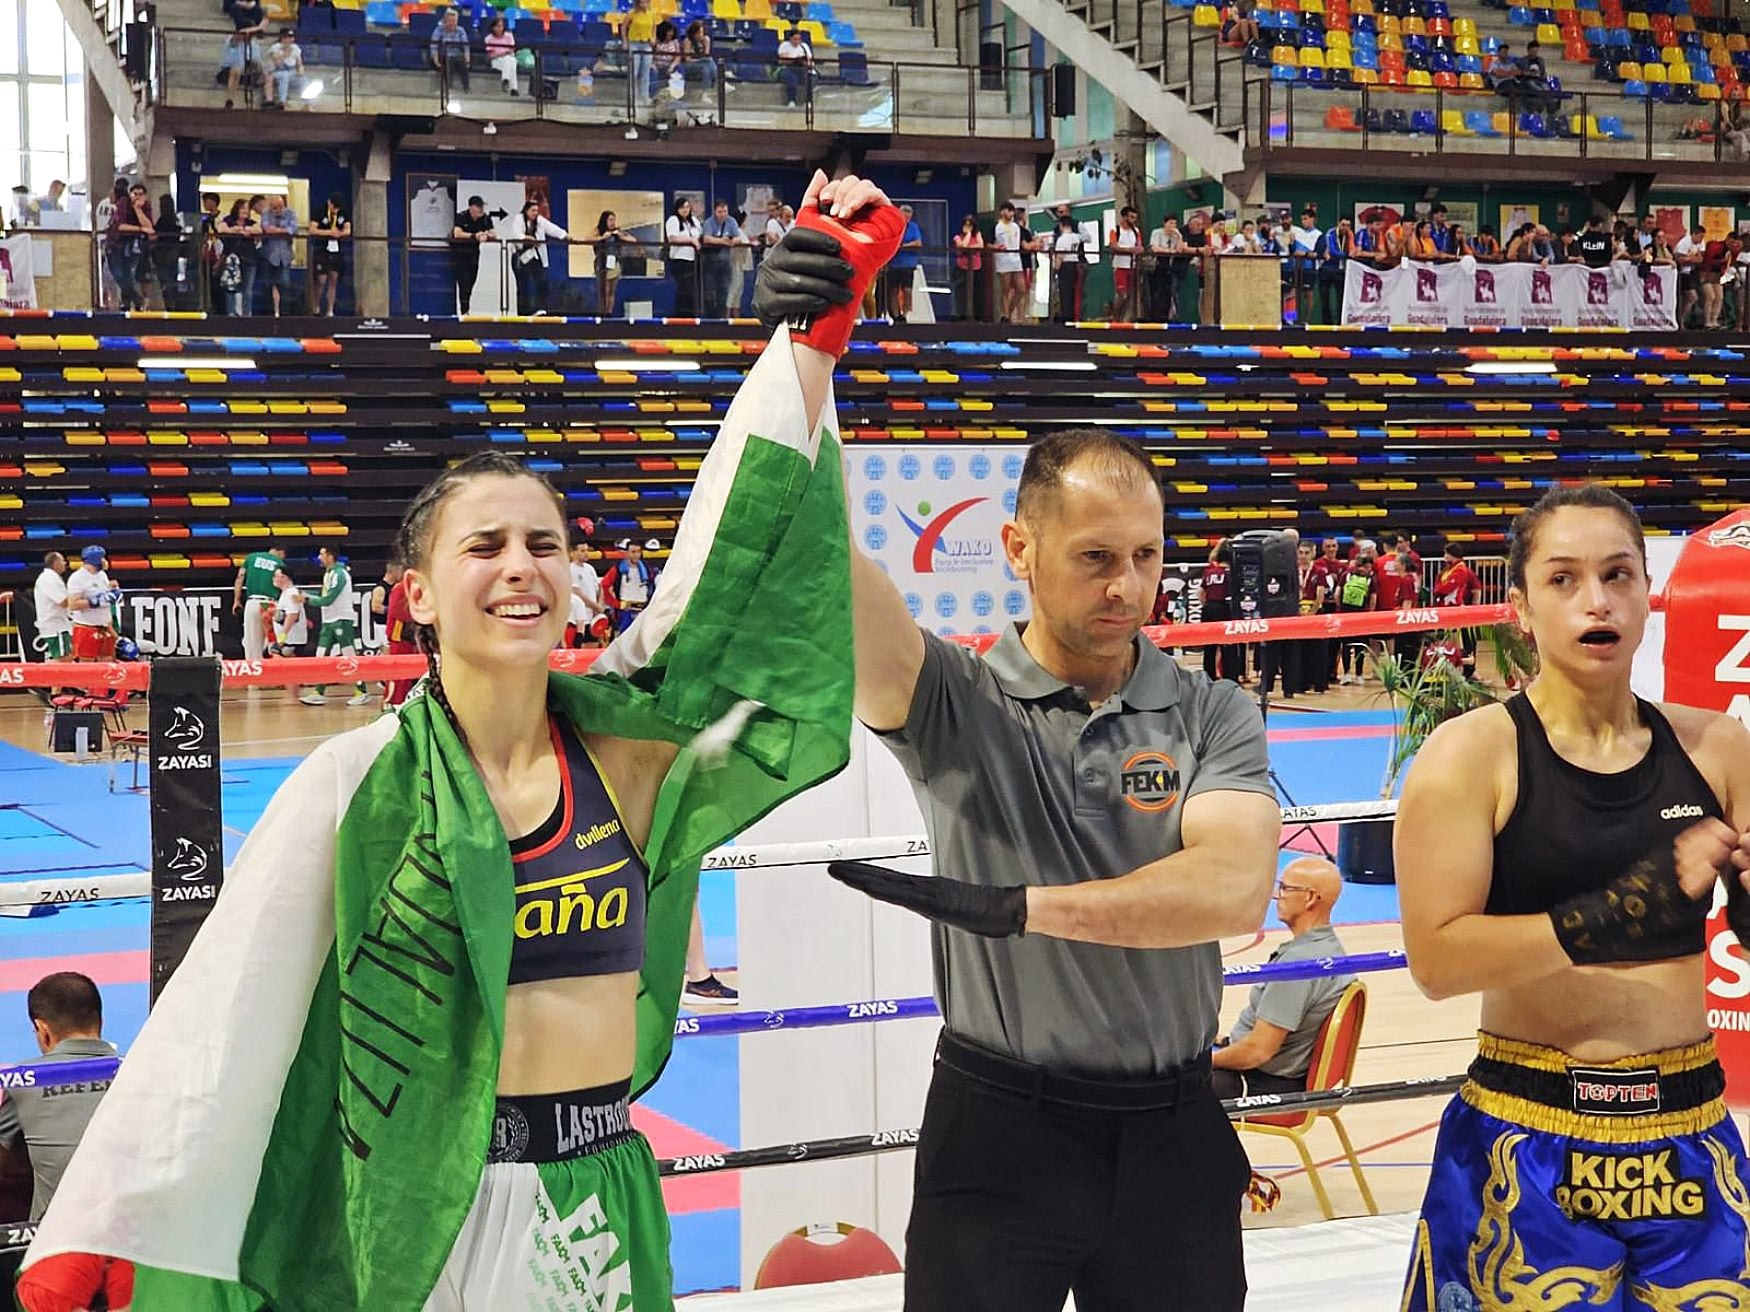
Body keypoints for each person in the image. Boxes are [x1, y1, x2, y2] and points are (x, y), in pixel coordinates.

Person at [22, 167, 893, 1312]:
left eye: (543, 541)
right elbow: (227, 1005)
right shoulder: (355, 780)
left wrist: (806, 347)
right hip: (424, 1203)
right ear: (417, 595)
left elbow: (717, 590)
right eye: (483, 546)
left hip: (599, 1191)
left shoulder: (630, 753)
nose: (521, 565)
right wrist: (109, 1213)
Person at [814, 411, 1281, 1305]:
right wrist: (809, 360)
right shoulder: (954, 699)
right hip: (999, 1127)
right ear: (1018, 548)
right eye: (1097, 558)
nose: (1129, 586)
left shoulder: (1213, 711)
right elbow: (833, 567)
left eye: (1147, 556)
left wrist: (1020, 908)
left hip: (1172, 1127)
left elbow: (1230, 890)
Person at [1395, 482, 1750, 1309]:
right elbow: (1438, 961)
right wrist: (1616, 913)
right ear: (1520, 606)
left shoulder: (1719, 745)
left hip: (1690, 1128)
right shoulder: (1471, 756)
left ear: (1648, 595)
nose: (1597, 600)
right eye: (1564, 579)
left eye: (1619, 574)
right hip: (1530, 1132)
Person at [5, 974, 129, 1312]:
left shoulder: (20, 1082)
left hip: (57, 1255)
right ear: (100, 1021)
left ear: (42, 1030)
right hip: (137, 1251)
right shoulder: (142, 1073)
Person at [1211, 859, 1353, 1099]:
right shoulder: (1329, 948)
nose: (1277, 896)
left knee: (1158, 1086)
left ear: (1310, 898)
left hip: (1258, 1080)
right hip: (1261, 1068)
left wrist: (1203, 1062)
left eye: (1286, 888)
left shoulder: (1298, 965)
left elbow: (1257, 1052)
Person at [300, 546, 372, 708]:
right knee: (321, 655)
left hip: (341, 619)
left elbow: (328, 599)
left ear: (330, 556)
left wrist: (306, 600)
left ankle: (362, 691)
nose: (319, 557)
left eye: (322, 554)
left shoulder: (339, 574)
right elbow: (323, 598)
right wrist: (307, 596)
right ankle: (319, 692)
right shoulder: (329, 574)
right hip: (329, 620)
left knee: (349, 655)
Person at [509, 198, 568, 316]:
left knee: (542, 281)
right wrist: (527, 238)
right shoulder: (519, 219)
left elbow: (552, 229)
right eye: (533, 210)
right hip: (520, 257)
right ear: (526, 211)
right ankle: (523, 312)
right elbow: (516, 234)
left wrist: (565, 235)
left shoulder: (540, 221)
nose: (535, 213)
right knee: (523, 285)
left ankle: (542, 309)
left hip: (535, 256)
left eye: (537, 210)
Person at [1431, 541, 1481, 674]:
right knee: (1443, 641)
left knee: (1457, 643)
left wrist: (1473, 609)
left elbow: (1444, 588)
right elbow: (1437, 587)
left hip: (1454, 611)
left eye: (1446, 553)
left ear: (1453, 554)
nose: (1444, 556)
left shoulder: (1462, 570)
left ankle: (1462, 670)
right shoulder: (1447, 570)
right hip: (1444, 609)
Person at [232, 544, 285, 664]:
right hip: (270, 603)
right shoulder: (279, 563)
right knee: (272, 640)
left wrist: (236, 600)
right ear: (281, 552)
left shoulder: (251, 557)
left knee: (252, 642)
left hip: (253, 601)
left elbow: (240, 578)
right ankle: (275, 671)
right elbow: (283, 585)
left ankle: (254, 674)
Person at [1200, 538, 1244, 684]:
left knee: (1209, 647)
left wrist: (1206, 606)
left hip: (1209, 608)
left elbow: (1201, 594)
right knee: (1229, 646)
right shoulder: (1232, 574)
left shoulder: (1209, 572)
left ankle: (1208, 678)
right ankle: (1231, 679)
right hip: (1225, 608)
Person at [65, 547, 118, 663]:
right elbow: (73, 604)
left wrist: (112, 591)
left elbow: (105, 598)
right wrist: (96, 601)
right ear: (96, 560)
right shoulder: (77, 578)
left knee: (108, 661)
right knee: (87, 664)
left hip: (104, 626)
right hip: (86, 627)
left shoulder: (102, 575)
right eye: (102, 558)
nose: (105, 561)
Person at [450, 194, 496, 315]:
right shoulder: (462, 216)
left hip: (474, 253)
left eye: (482, 207)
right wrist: (473, 236)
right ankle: (464, 310)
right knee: (463, 282)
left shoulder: (485, 218)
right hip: (460, 253)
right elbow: (457, 233)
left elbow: (494, 233)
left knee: (471, 280)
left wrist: (486, 235)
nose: (481, 209)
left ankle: (467, 307)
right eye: (478, 207)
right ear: (471, 207)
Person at [602, 539, 658, 633]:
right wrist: (616, 604)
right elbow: (605, 585)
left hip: (642, 609)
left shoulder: (647, 569)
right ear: (627, 553)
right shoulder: (618, 569)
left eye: (638, 552)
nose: (636, 555)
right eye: (633, 552)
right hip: (626, 610)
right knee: (625, 638)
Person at [216, 197, 260, 316]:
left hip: (249, 260)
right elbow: (221, 229)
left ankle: (246, 314)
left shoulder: (251, 223)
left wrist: (246, 229)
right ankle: (231, 313)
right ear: (237, 209)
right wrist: (235, 230)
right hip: (232, 260)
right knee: (231, 287)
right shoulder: (228, 220)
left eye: (247, 209)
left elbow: (258, 230)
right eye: (243, 208)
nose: (245, 211)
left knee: (247, 289)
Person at [309, 192, 350, 317]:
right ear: (329, 203)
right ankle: (316, 306)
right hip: (322, 249)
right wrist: (328, 232)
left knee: (334, 278)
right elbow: (312, 229)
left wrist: (340, 234)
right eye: (333, 207)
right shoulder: (319, 211)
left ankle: (330, 310)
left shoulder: (343, 213)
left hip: (336, 249)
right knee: (321, 280)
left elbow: (348, 229)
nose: (335, 210)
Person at [218, 0, 265, 108]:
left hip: (247, 71)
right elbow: (237, 39)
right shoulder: (233, 39)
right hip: (228, 70)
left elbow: (255, 61)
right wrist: (257, 27)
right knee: (236, 70)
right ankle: (230, 99)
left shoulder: (254, 45)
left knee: (261, 71)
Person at [700, 197, 742, 318]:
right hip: (710, 262)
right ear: (714, 211)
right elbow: (707, 238)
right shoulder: (709, 222)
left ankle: (721, 317)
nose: (722, 214)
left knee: (723, 290)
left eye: (725, 211)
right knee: (709, 291)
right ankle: (709, 317)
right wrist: (724, 241)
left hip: (725, 262)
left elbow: (738, 238)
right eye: (720, 212)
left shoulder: (731, 221)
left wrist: (733, 240)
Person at [592, 209, 637, 317]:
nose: (612, 222)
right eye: (610, 220)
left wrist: (621, 236)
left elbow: (633, 240)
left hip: (614, 262)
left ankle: (609, 313)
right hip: (602, 263)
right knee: (604, 290)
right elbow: (587, 239)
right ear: (605, 220)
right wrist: (603, 237)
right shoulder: (599, 230)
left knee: (612, 290)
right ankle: (602, 312)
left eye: (614, 220)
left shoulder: (617, 231)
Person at [258, 193, 298, 317]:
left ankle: (285, 313)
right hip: (269, 255)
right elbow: (267, 229)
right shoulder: (266, 214)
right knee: (267, 284)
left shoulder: (291, 214)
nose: (277, 211)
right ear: (270, 207)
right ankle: (269, 313)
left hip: (285, 256)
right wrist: (284, 231)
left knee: (285, 284)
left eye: (280, 207)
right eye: (274, 208)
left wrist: (278, 231)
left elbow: (293, 229)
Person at [31, 552, 71, 668]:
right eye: (63, 561)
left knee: (64, 657)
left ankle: (54, 684)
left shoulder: (52, 578)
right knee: (63, 660)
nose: (65, 563)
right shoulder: (49, 579)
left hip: (57, 625)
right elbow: (63, 602)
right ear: (56, 563)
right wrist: (80, 596)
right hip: (55, 626)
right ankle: (38, 676)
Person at [887, 203, 925, 322]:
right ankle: (896, 315)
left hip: (908, 264)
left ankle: (905, 314)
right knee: (893, 290)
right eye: (904, 215)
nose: (906, 218)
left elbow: (918, 243)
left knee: (907, 290)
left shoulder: (913, 227)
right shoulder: (893, 227)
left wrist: (902, 246)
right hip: (893, 264)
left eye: (908, 216)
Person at [664, 195, 701, 316]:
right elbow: (672, 238)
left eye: (687, 207)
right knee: (683, 289)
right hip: (680, 260)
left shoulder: (694, 221)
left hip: (694, 260)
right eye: (682, 207)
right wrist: (690, 240)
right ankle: (681, 316)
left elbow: (700, 236)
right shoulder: (673, 220)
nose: (685, 210)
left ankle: (692, 315)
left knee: (692, 290)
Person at [993, 201, 1027, 323]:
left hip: (1016, 259)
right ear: (1002, 212)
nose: (1011, 213)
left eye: (1012, 211)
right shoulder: (997, 226)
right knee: (1006, 289)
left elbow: (1022, 242)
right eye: (1009, 211)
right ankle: (1005, 315)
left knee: (1021, 289)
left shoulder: (1016, 227)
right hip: (1003, 260)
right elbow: (989, 243)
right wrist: (996, 247)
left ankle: (1009, 311)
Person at [1050, 212, 1085, 323]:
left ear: (1061, 226)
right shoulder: (1076, 237)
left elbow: (1060, 256)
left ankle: (1066, 317)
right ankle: (1074, 316)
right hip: (1075, 264)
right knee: (1074, 292)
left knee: (1065, 293)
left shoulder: (1062, 239)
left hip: (1065, 266)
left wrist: (1055, 270)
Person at [150, 193, 184, 311]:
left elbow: (155, 235)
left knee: (165, 281)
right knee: (172, 280)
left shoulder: (163, 220)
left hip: (162, 254)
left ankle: (169, 306)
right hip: (174, 253)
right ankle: (175, 305)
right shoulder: (176, 220)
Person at [1148, 213, 1184, 320]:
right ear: (1165, 223)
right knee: (1157, 293)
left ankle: (1166, 317)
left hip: (1170, 266)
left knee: (1169, 293)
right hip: (1158, 265)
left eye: (1175, 223)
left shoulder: (1175, 236)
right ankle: (1155, 317)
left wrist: (1179, 237)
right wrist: (1169, 251)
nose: (1173, 226)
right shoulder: (1157, 233)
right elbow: (1155, 248)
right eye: (1170, 223)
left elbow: (1180, 250)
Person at [1108, 206, 1141, 319]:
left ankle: (1125, 319)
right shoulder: (1115, 230)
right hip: (1120, 265)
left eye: (1135, 218)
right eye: (1131, 217)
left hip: (1132, 266)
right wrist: (1129, 250)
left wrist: (1139, 249)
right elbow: (1114, 246)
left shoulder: (1136, 231)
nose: (1133, 220)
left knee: (1131, 296)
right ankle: (1116, 318)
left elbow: (1139, 246)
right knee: (1122, 295)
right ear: (1124, 217)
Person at [429, 6, 471, 95]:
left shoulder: (461, 30)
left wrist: (467, 60)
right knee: (449, 62)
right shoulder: (438, 30)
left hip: (457, 55)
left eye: (454, 21)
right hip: (443, 55)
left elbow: (466, 46)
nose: (452, 23)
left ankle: (466, 88)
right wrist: (436, 60)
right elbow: (434, 46)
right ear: (445, 21)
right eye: (450, 21)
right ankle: (448, 88)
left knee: (462, 63)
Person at [951, 213, 984, 321]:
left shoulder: (978, 234)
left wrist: (970, 246)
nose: (968, 226)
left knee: (975, 293)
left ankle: (975, 315)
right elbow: (963, 246)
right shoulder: (957, 237)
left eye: (970, 225)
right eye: (966, 224)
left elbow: (980, 245)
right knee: (961, 293)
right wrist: (968, 234)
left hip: (975, 267)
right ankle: (961, 315)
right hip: (962, 268)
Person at [263, 29, 304, 107]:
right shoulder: (275, 47)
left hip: (291, 71)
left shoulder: (296, 48)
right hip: (276, 71)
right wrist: (287, 52)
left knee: (304, 80)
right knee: (284, 75)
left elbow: (299, 63)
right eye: (286, 37)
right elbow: (277, 63)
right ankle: (282, 101)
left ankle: (308, 104)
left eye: (291, 37)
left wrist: (301, 71)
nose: (289, 39)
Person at [776, 26, 812, 106]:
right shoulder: (784, 46)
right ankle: (791, 100)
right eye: (795, 39)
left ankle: (808, 101)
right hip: (787, 68)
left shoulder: (804, 46)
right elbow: (782, 60)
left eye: (799, 39)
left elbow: (809, 60)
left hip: (801, 68)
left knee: (810, 78)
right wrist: (793, 60)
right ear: (790, 39)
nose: (797, 41)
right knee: (792, 79)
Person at [484, 15, 519, 94]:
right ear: (492, 27)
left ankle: (505, 80)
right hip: (496, 61)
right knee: (510, 61)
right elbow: (491, 55)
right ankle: (513, 89)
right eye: (497, 26)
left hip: (508, 58)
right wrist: (503, 54)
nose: (500, 28)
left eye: (501, 26)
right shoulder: (488, 38)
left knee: (511, 60)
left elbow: (512, 50)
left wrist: (502, 54)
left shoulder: (509, 36)